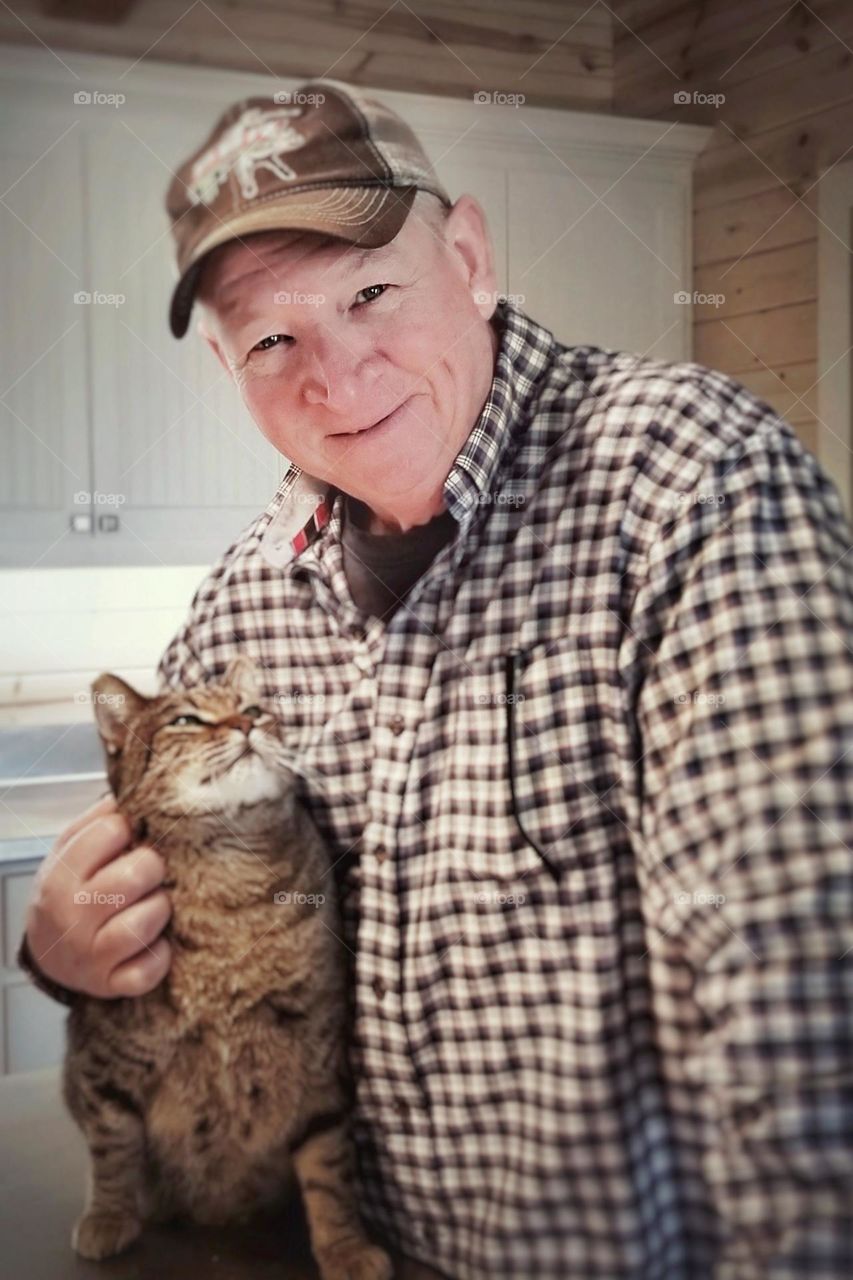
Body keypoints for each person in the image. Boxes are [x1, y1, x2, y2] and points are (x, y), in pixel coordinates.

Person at [19, 78, 853, 1279]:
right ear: (225, 361)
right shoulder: (245, 599)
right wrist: (63, 947)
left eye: (370, 291)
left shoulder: (691, 482)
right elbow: (159, 889)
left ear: (467, 256)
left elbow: (799, 1005)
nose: (338, 375)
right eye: (271, 337)